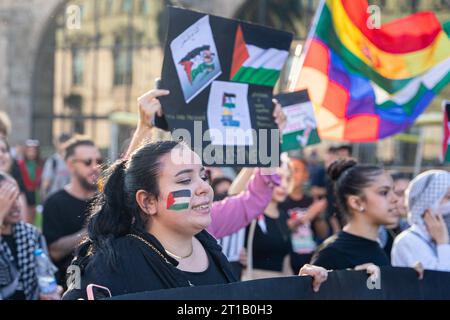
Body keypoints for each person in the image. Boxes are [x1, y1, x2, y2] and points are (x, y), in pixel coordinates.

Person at [63, 140, 329, 299]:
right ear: (148, 201)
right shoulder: (115, 262)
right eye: (184, 180)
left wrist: (299, 287)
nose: (203, 187)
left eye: (203, 176)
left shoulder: (210, 247)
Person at [310, 159, 398, 270]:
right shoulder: (331, 254)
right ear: (356, 202)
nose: (395, 199)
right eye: (384, 192)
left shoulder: (385, 244)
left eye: (394, 191)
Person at [42, 136, 102, 286]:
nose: (95, 167)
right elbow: (54, 251)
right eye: (88, 162)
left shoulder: (106, 199)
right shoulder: (54, 203)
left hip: (104, 283)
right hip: (71, 282)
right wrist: (93, 228)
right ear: (70, 165)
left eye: (98, 161)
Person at [0, 173, 61, 300]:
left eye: (17, 197)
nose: (16, 205)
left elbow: (47, 275)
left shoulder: (31, 234)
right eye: (8, 199)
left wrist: (50, 292)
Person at [391, 170, 450, 271]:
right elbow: (439, 281)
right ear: (429, 201)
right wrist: (442, 243)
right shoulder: (408, 241)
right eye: (448, 197)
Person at [279, 157, 328, 273]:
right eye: (289, 170)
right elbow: (282, 228)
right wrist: (308, 215)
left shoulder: (311, 201)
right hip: (287, 261)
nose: (291, 174)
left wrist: (319, 215)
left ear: (306, 175)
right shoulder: (280, 200)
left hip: (309, 259)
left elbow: (323, 233)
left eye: (296, 170)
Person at [378, 172, 411, 259]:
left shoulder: (409, 226)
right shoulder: (377, 233)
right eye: (400, 194)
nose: (407, 199)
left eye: (409, 193)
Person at [15, 139, 43, 224]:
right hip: (24, 192)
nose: (31, 153)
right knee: (25, 215)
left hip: (35, 193)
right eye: (29, 150)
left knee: (34, 216)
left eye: (34, 151)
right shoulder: (19, 163)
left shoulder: (39, 164)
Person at [41, 133, 72, 201]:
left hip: (68, 200)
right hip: (55, 200)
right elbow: (46, 183)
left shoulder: (75, 161)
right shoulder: (52, 161)